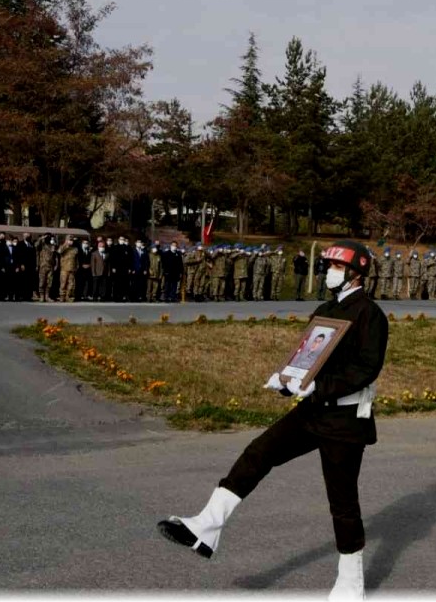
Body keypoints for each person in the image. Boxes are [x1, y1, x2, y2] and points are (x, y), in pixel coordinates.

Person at [157, 240, 388, 599]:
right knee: (259, 452)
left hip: (344, 420)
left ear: (356, 273)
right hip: (311, 411)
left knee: (342, 500)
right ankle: (207, 525)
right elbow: (307, 355)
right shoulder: (326, 308)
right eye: (328, 266)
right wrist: (285, 380)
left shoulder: (370, 315)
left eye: (336, 268)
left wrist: (317, 386)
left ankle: (350, 580)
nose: (329, 272)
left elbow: (366, 368)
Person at [36, 233, 58, 302]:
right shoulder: (42, 245)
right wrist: (42, 238)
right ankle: (42, 296)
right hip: (43, 266)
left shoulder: (52, 246)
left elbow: (56, 257)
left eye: (49, 237)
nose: (48, 238)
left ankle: (47, 296)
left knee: (49, 282)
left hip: (50, 267)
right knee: (42, 282)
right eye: (47, 237)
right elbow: (36, 245)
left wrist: (56, 265)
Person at [58, 236, 79, 302]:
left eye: (72, 240)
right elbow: (59, 251)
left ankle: (69, 296)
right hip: (64, 268)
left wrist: (77, 267)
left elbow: (76, 259)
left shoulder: (75, 249)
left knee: (71, 284)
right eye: (69, 240)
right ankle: (62, 296)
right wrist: (65, 244)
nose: (71, 241)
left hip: (72, 268)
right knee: (63, 283)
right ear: (66, 240)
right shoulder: (63, 247)